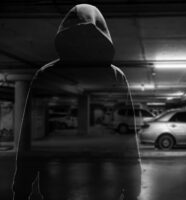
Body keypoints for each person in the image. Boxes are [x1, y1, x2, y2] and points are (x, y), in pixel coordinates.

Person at [13, 4, 141, 200]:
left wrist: (22, 189)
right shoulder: (115, 76)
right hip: (104, 184)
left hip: (58, 184)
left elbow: (30, 138)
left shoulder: (47, 75)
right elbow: (126, 138)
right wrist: (132, 188)